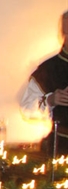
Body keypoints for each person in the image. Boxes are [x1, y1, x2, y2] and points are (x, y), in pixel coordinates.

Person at [20, 10, 68, 156]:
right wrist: (51, 100)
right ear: (63, 34)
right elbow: (27, 109)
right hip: (62, 149)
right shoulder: (49, 69)